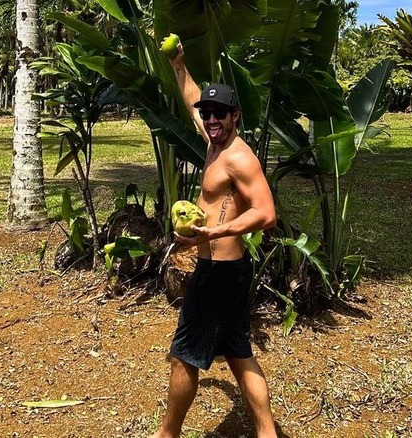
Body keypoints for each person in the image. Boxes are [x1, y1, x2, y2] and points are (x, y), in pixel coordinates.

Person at [150, 43, 278, 438]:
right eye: (207, 114)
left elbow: (266, 213)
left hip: (219, 273)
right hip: (229, 272)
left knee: (183, 357)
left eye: (219, 113)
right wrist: (179, 65)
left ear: (235, 115)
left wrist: (213, 232)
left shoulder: (238, 157)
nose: (210, 119)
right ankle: (267, 433)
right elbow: (192, 101)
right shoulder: (213, 140)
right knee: (239, 355)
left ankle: (166, 434)